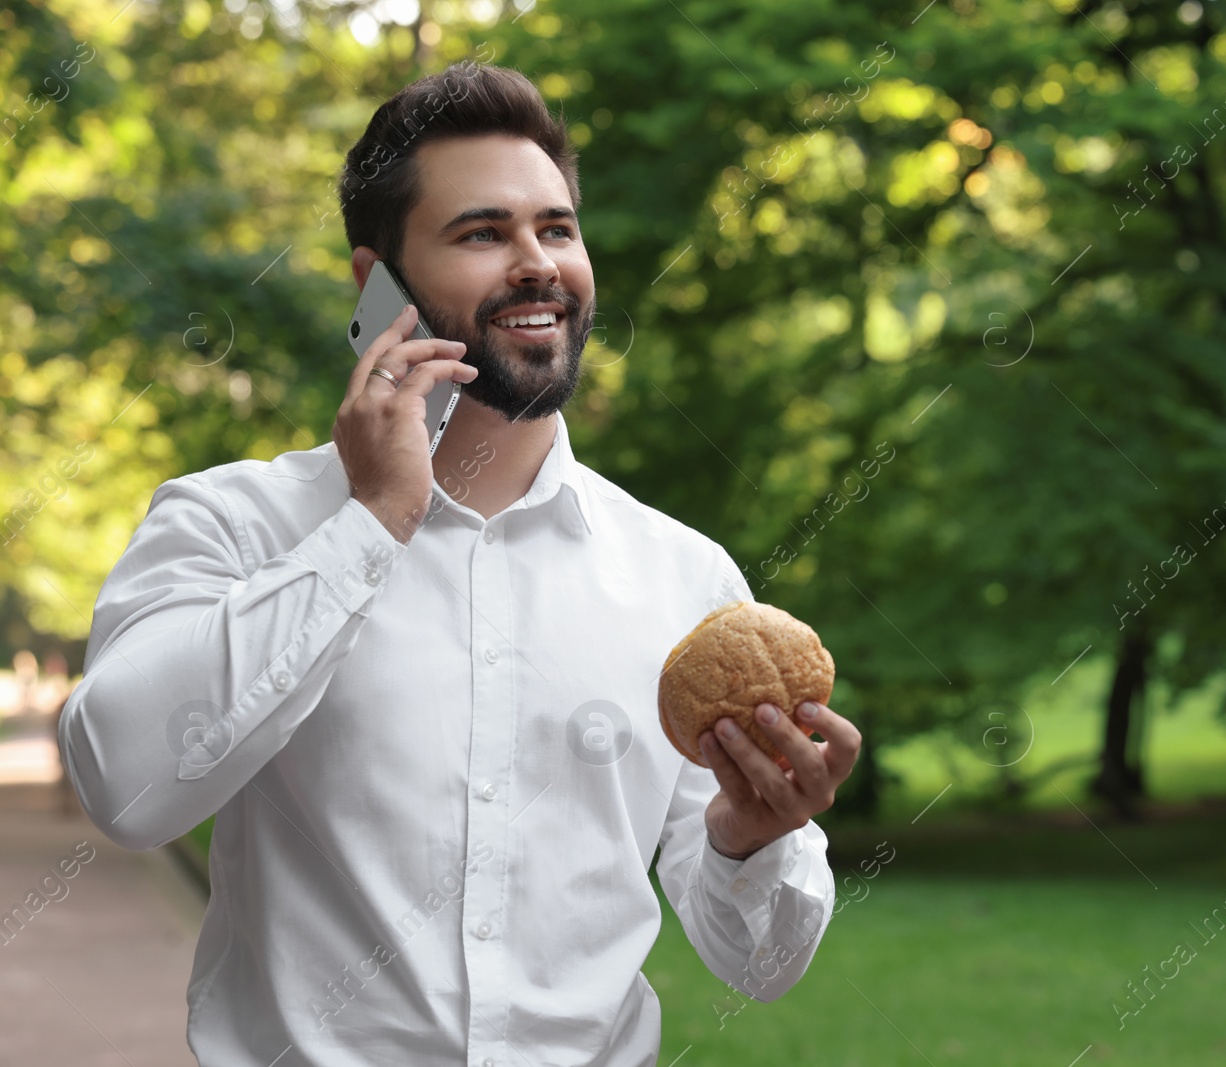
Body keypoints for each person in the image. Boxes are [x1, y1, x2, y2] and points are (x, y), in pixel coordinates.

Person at [59, 61, 859, 1066]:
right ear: (376, 285)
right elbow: (126, 789)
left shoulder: (684, 580)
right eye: (483, 232)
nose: (538, 264)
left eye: (555, 228)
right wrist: (375, 518)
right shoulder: (233, 521)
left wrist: (752, 837)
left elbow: (762, 963)